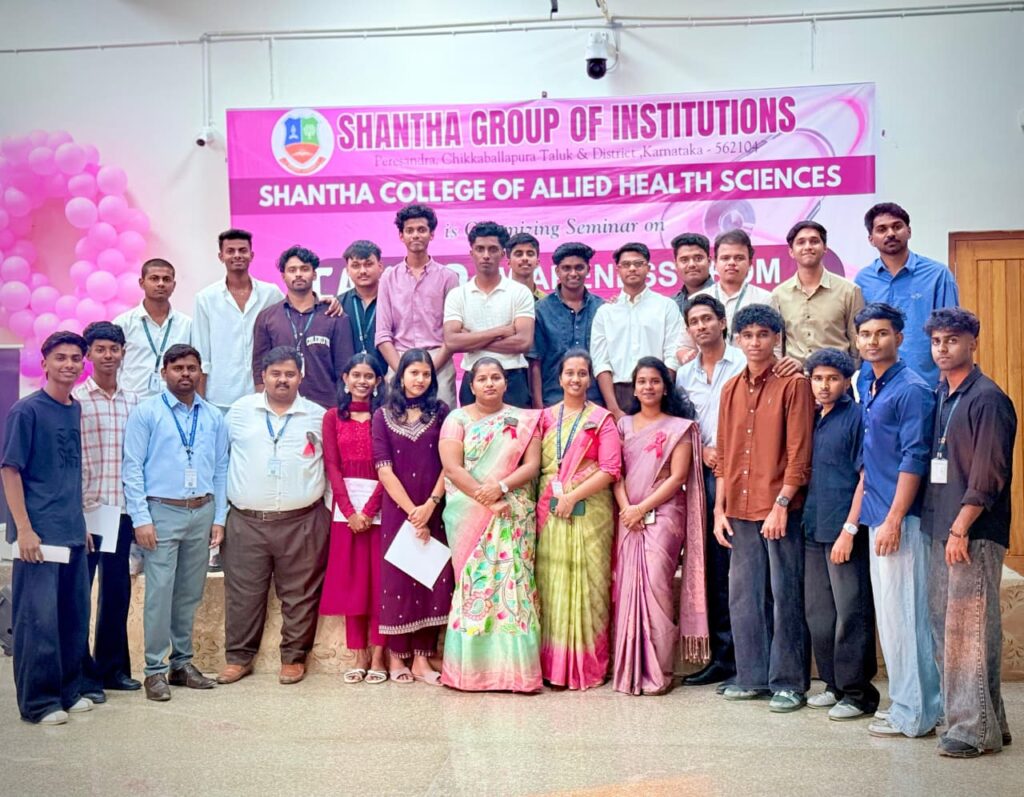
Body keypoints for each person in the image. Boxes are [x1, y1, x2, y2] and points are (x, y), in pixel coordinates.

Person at [922, 308, 1016, 757]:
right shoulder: (943, 393)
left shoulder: (987, 398)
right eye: (937, 341)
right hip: (943, 527)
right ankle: (991, 722)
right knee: (955, 629)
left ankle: (971, 731)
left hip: (972, 532)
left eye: (952, 340)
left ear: (972, 343)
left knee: (967, 632)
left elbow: (989, 474)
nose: (943, 348)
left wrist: (960, 528)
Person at [713, 304, 813, 713]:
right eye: (748, 335)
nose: (755, 342)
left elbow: (800, 453)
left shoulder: (794, 384)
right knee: (743, 596)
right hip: (738, 507)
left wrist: (782, 503)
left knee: (785, 594)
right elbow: (724, 454)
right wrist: (719, 510)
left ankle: (789, 682)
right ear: (736, 339)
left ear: (777, 338)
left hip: (779, 507)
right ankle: (751, 676)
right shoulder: (730, 389)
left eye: (763, 334)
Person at [216, 347, 330, 686]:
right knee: (243, 594)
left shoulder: (317, 416)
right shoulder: (239, 412)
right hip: (246, 522)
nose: (283, 380)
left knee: (301, 594)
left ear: (301, 377)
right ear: (263, 376)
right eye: (276, 373)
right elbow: (221, 463)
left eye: (290, 374)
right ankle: (238, 658)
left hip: (303, 521)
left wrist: (327, 515)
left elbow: (330, 467)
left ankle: (293, 658)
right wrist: (219, 516)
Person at [122, 344, 228, 701]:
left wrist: (218, 517)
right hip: (161, 512)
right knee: (160, 593)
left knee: (189, 593)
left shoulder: (212, 416)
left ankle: (181, 664)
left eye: (191, 368)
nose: (185, 374)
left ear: (200, 372)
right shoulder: (146, 413)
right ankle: (154, 670)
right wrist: (141, 518)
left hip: (202, 511)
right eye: (178, 368)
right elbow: (132, 468)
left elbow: (221, 468)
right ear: (163, 372)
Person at [854, 302, 941, 738]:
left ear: (900, 338)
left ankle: (916, 713)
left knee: (907, 617)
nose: (873, 341)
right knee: (892, 617)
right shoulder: (870, 382)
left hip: (900, 519)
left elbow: (915, 458)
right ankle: (913, 704)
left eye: (882, 333)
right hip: (878, 512)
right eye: (866, 334)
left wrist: (893, 519)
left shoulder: (911, 389)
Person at [2, 331, 94, 725]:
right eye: (60, 357)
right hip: (38, 537)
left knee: (72, 619)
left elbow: (67, 473)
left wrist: (80, 522)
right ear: (44, 363)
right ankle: (39, 703)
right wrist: (24, 529)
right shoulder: (26, 411)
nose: (68, 364)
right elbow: (10, 471)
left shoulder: (74, 408)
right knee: (38, 623)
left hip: (71, 531)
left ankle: (68, 691)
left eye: (75, 358)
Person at [438, 358, 543, 692]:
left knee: (514, 587)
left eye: (496, 377)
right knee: (475, 589)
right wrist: (487, 499)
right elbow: (452, 469)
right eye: (482, 378)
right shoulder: (456, 419)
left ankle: (515, 673)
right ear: (470, 385)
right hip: (470, 514)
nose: (489, 383)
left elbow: (532, 466)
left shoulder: (525, 419)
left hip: (512, 513)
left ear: (506, 382)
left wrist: (501, 488)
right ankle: (470, 671)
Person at [611, 357, 706, 696]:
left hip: (663, 515)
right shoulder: (622, 425)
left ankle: (659, 670)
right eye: (642, 381)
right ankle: (630, 670)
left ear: (665, 387)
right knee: (626, 586)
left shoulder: (680, 427)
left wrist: (641, 508)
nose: (648, 387)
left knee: (656, 585)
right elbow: (615, 472)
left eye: (654, 381)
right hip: (627, 516)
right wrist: (627, 508)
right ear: (634, 388)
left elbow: (678, 477)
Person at [536, 348, 622, 690]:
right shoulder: (544, 418)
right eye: (569, 373)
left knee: (590, 584)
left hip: (591, 512)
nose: (575, 379)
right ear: (559, 378)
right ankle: (553, 666)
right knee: (551, 583)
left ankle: (587, 666)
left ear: (590, 379)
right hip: (550, 510)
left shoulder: (602, 419)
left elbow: (610, 469)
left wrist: (572, 496)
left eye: (582, 373)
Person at [801, 348, 878, 721]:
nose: (824, 385)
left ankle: (858, 693)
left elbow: (865, 477)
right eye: (818, 378)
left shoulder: (857, 417)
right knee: (819, 614)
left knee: (851, 612)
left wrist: (850, 528)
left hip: (844, 529)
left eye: (832, 378)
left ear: (847, 381)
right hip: (813, 527)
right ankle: (832, 685)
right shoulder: (812, 417)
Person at [674, 294, 745, 690]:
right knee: (714, 568)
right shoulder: (684, 375)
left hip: (743, 473)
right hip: (704, 474)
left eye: (707, 319)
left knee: (743, 566)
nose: (701, 326)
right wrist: (704, 450)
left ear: (722, 322)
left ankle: (752, 656)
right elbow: (684, 425)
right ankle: (723, 657)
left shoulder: (743, 362)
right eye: (694, 321)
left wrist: (729, 453)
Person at [372, 349, 454, 684]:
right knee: (398, 581)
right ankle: (396, 658)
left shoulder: (442, 412)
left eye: (426, 374)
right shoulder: (382, 415)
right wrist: (412, 512)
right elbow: (383, 469)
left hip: (434, 507)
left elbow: (450, 463)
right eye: (413, 373)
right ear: (401, 376)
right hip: (399, 512)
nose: (420, 379)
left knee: (432, 578)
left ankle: (421, 659)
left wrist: (430, 506)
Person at [73, 321, 140, 697]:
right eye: (100, 349)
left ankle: (113, 669)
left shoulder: (135, 401)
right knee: (80, 595)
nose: (108, 355)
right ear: (89, 354)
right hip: (88, 511)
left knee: (117, 593)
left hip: (123, 511)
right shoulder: (76, 400)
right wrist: (78, 511)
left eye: (114, 349)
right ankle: (83, 674)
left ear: (123, 352)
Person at [319, 352, 388, 685]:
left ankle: (379, 656)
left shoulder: (385, 416)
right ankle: (359, 654)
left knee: (379, 582)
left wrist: (370, 510)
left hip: (381, 509)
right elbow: (332, 466)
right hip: (345, 514)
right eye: (356, 375)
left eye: (369, 376)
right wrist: (349, 512)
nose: (362, 381)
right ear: (345, 378)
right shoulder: (333, 417)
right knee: (353, 583)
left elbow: (389, 468)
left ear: (378, 381)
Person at [854, 202, 959, 384]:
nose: (890, 233)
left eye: (897, 226)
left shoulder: (937, 275)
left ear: (909, 231)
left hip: (925, 380)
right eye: (882, 229)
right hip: (874, 383)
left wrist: (947, 377)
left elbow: (951, 329)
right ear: (871, 239)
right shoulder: (863, 279)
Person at [375, 204, 460, 408]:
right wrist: (403, 371)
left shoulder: (448, 277)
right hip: (399, 360)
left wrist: (428, 369)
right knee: (397, 422)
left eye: (421, 230)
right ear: (401, 236)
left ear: (431, 234)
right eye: (410, 230)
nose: (415, 235)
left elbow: (452, 335)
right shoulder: (388, 277)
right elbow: (383, 335)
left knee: (443, 423)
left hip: (438, 362)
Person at [443, 221, 535, 408]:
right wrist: (499, 332)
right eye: (480, 249)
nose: (486, 255)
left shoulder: (520, 292)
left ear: (502, 254)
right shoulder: (457, 295)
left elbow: (523, 342)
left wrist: (471, 340)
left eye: (492, 249)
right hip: (473, 379)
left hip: (512, 378)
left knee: (517, 429)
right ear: (472, 253)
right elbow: (452, 342)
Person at [192, 229, 284, 413]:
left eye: (242, 250)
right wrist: (199, 403)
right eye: (230, 251)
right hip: (219, 397)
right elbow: (201, 354)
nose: (237, 255)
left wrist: (324, 302)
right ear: (221, 256)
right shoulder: (206, 298)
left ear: (252, 255)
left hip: (262, 394)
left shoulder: (271, 293)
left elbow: (295, 311)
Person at [252, 245, 354, 409]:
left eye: (304, 269)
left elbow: (345, 369)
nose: (298, 274)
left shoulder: (334, 316)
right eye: (292, 270)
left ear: (314, 274)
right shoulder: (267, 318)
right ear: (283, 276)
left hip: (325, 407)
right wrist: (265, 407)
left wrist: (341, 410)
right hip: (280, 408)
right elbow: (259, 368)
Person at [591, 242, 683, 420]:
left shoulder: (666, 307)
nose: (632, 268)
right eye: (626, 264)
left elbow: (673, 355)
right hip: (619, 394)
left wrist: (662, 392)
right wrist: (613, 408)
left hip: (657, 391)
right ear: (617, 270)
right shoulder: (605, 312)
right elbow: (601, 363)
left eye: (638, 263)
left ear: (648, 268)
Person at [770, 221, 864, 366]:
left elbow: (857, 342)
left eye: (814, 241)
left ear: (825, 248)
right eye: (801, 242)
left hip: (837, 375)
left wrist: (847, 373)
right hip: (795, 376)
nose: (808, 246)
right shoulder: (779, 294)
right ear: (791, 251)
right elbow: (777, 345)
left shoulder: (849, 291)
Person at [529, 242, 604, 408]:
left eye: (579, 268)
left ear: (588, 269)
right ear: (557, 271)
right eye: (566, 268)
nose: (573, 273)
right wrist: (539, 407)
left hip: (595, 401)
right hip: (553, 400)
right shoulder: (541, 310)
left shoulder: (602, 309)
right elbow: (535, 362)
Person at [113, 258, 192, 399]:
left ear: (173, 285)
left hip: (174, 402)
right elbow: (114, 366)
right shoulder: (123, 323)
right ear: (141, 283)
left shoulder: (187, 325)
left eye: (166, 279)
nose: (161, 284)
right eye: (154, 279)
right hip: (133, 403)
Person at [338, 239, 385, 364]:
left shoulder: (394, 300)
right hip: (351, 374)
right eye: (356, 266)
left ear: (380, 266)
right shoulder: (338, 305)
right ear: (347, 270)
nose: (363, 271)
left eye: (368, 264)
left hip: (389, 374)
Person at [670, 232, 715, 314]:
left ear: (709, 261)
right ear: (676, 265)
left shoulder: (724, 297)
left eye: (698, 258)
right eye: (684, 260)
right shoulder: (670, 305)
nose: (691, 265)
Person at [506, 232, 547, 301]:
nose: (525, 258)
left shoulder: (547, 302)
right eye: (519, 254)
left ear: (537, 262)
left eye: (530, 254)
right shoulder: (499, 298)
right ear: (509, 263)